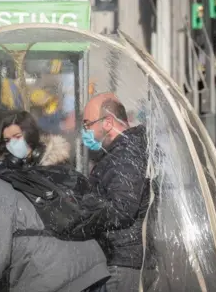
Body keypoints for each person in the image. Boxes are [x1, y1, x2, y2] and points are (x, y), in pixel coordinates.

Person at [0, 110, 110, 292]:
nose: (12, 144)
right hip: (87, 266)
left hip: (60, 276)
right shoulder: (7, 182)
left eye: (17, 137)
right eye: (7, 141)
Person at [81, 92, 150, 292]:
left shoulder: (126, 154)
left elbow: (123, 208)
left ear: (108, 122)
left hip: (121, 260)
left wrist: (82, 209)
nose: (85, 131)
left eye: (87, 124)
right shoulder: (119, 153)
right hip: (117, 258)